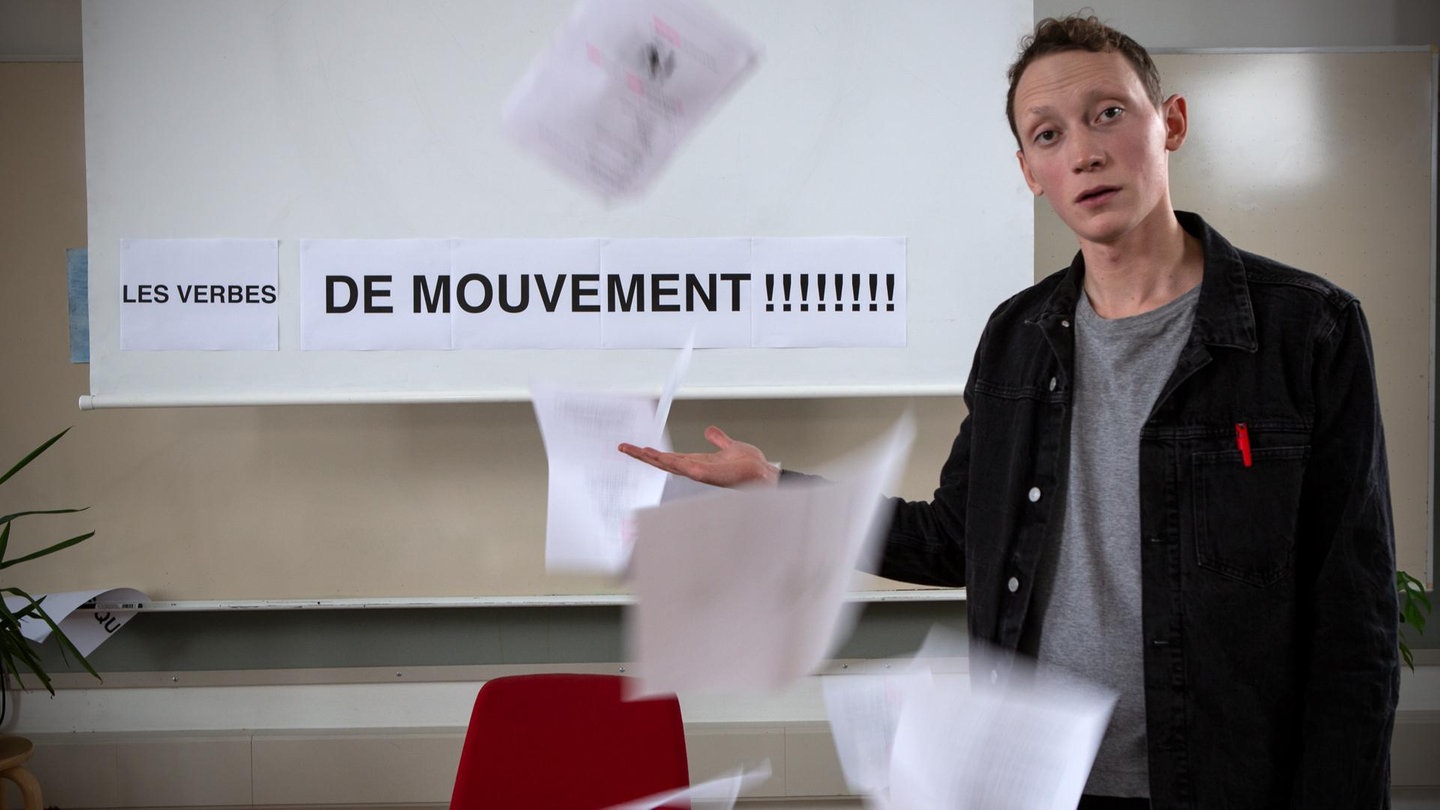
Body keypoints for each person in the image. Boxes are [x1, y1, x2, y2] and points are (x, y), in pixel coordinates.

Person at [619, 14, 1399, 809]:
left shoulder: (1308, 329)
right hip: (1036, 785)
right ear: (1030, 170)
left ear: (1170, 123)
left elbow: (1355, 620)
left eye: (1108, 114)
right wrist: (776, 486)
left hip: (1229, 787)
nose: (1084, 153)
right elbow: (955, 538)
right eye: (1049, 135)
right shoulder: (1017, 337)